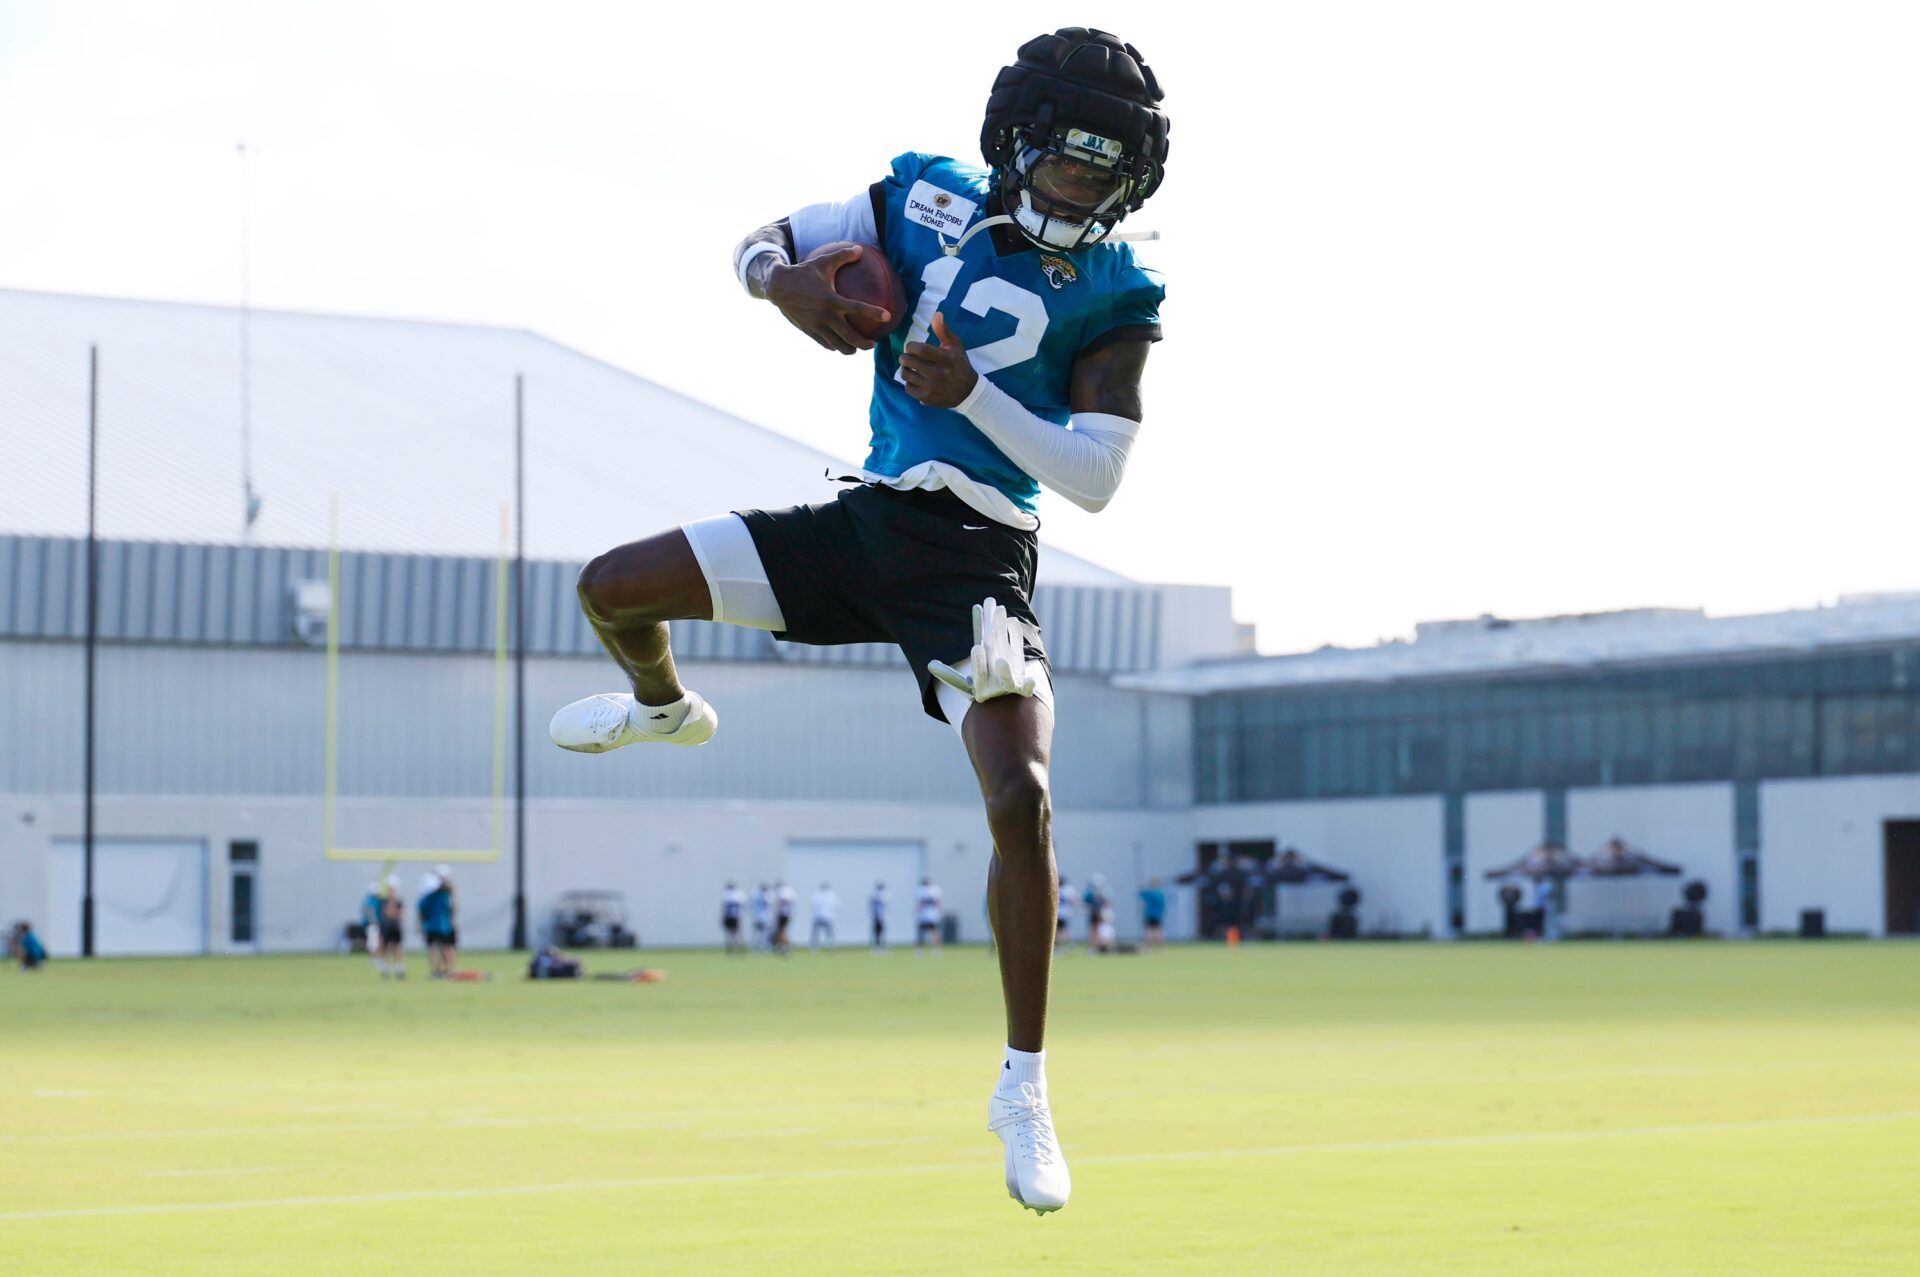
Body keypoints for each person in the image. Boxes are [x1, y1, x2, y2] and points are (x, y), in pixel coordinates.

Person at [544, 27, 1167, 1215]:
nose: (1086, 188)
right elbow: (762, 238)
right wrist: (785, 286)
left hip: (977, 557)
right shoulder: (921, 198)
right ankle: (665, 708)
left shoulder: (1118, 291)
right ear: (1020, 141)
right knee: (611, 584)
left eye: (1108, 171)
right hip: (864, 525)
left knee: (1021, 797)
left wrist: (971, 392)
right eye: (1071, 162)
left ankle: (1023, 1083)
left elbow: (1094, 478)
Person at [419, 868, 457, 977]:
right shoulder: (441, 896)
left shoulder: (434, 896)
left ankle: (439, 970)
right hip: (441, 926)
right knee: (442, 948)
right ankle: (445, 969)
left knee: (439, 948)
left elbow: (422, 914)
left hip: (438, 926)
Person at [377, 875, 406, 979]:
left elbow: (402, 914)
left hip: (395, 926)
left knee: (397, 947)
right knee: (384, 947)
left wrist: (394, 912)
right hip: (386, 926)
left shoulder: (398, 901)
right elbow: (387, 913)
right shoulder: (383, 901)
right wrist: (393, 911)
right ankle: (385, 968)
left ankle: (399, 968)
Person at [359, 881, 385, 968]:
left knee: (378, 942)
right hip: (372, 925)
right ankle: (373, 961)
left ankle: (378, 959)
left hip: (376, 924)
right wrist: (375, 922)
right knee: (373, 943)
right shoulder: (369, 901)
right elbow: (369, 914)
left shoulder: (377, 900)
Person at [916, 876, 945, 954]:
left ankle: (935, 949)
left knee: (934, 933)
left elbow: (937, 903)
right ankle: (922, 949)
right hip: (927, 915)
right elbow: (920, 904)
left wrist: (939, 912)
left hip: (931, 915)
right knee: (924, 933)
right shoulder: (924, 890)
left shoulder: (932, 890)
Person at [809, 881, 839, 952]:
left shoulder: (817, 895)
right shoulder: (832, 895)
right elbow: (837, 906)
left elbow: (812, 906)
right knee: (828, 934)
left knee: (817, 934)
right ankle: (830, 947)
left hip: (819, 917)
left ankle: (815, 949)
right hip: (827, 917)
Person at [1139, 878, 1168, 951]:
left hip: (1149, 914)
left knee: (1149, 931)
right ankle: (1159, 947)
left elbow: (1141, 894)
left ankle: (1149, 946)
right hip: (1158, 915)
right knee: (1158, 931)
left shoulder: (1150, 893)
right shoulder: (1161, 894)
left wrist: (1141, 887)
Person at [721, 881, 746, 954]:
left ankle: (735, 949)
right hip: (735, 917)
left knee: (732, 933)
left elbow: (724, 907)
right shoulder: (739, 894)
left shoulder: (727, 894)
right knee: (735, 933)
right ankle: (738, 949)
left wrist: (722, 916)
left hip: (732, 916)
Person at [773, 881, 797, 955]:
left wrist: (776, 912)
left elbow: (779, 902)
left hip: (783, 914)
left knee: (782, 931)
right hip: (787, 914)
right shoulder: (791, 891)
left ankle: (786, 947)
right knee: (782, 931)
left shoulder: (782, 892)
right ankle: (782, 947)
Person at [750, 882, 772, 953]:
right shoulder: (767, 895)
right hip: (764, 917)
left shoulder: (755, 895)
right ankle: (762, 947)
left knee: (758, 933)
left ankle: (757, 947)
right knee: (763, 933)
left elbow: (751, 906)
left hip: (758, 916)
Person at [1054, 876, 1074, 950]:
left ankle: (1058, 946)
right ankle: (1067, 945)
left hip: (1058, 913)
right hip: (1065, 914)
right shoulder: (1068, 891)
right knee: (1065, 930)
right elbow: (1073, 901)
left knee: (1057, 931)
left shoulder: (1056, 890)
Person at [869, 880, 889, 951]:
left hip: (879, 916)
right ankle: (879, 947)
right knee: (879, 932)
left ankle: (879, 947)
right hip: (879, 916)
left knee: (879, 932)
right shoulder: (880, 895)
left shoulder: (875, 895)